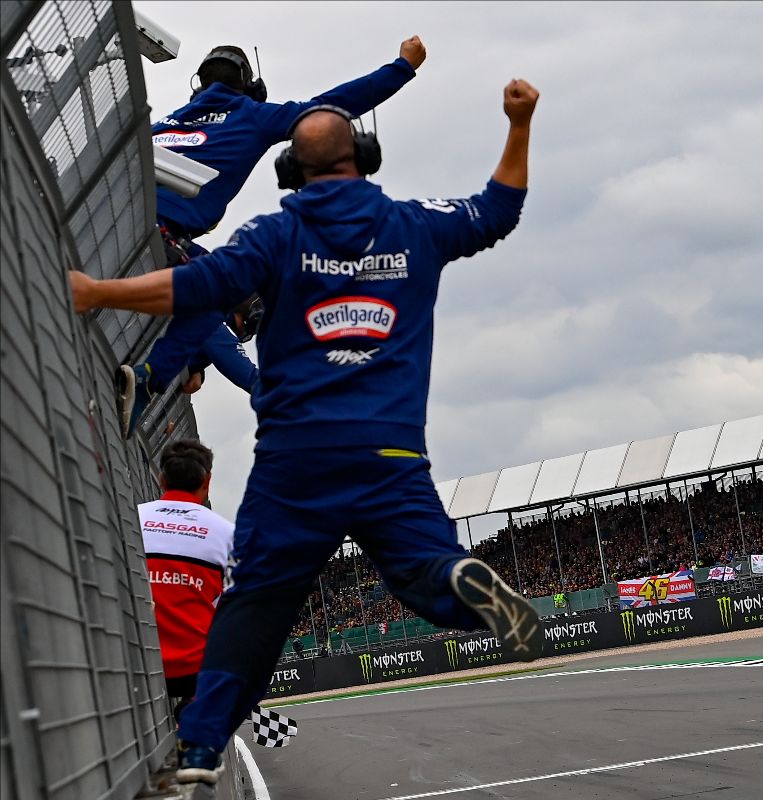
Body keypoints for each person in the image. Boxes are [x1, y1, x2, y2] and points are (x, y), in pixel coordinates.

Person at [71, 76, 543, 785]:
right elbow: (498, 209)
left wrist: (100, 292)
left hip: (296, 459)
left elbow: (197, 289)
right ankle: (456, 577)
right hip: (391, 454)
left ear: (292, 171)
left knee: (256, 607)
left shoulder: (275, 233)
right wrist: (519, 121)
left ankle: (198, 750)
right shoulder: (418, 224)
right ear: (365, 156)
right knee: (423, 574)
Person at [119, 37, 428, 438]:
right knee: (220, 287)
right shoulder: (252, 115)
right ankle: (150, 379)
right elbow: (333, 106)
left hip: (122, 223)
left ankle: (172, 368)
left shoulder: (166, 124)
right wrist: (403, 67)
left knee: (219, 277)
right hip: (159, 235)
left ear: (200, 84)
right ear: (248, 86)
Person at [138, 439, 234, 724]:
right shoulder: (226, 534)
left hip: (139, 664)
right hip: (195, 671)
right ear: (208, 481)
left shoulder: (133, 517)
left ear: (161, 478)